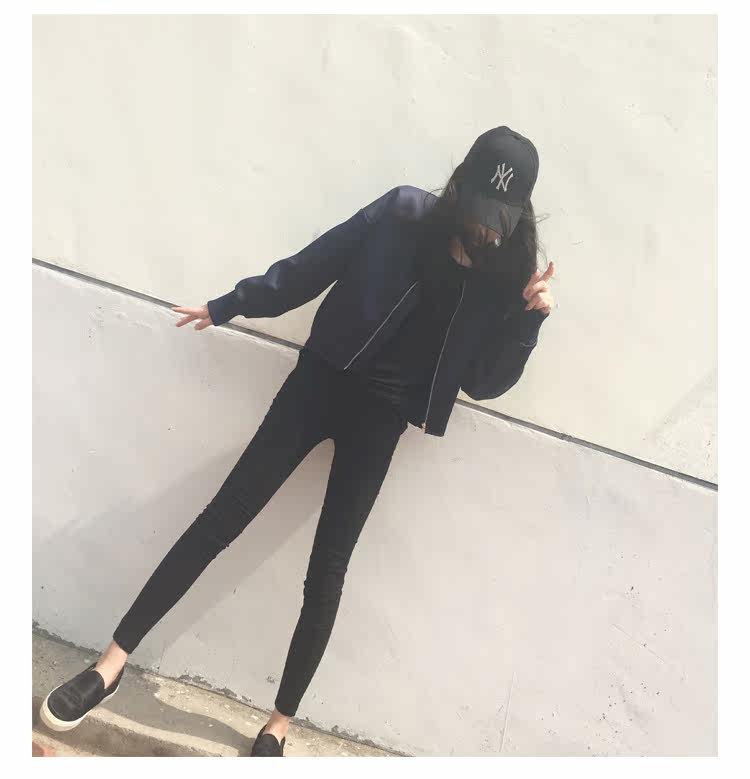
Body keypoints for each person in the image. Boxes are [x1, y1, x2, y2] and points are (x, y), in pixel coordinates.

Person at [39, 126, 556, 757]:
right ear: (460, 186)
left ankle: (278, 723)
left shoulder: (505, 278)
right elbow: (315, 265)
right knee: (221, 520)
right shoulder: (402, 213)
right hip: (317, 385)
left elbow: (482, 382)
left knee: (327, 573)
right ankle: (110, 666)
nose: (484, 228)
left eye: (498, 217)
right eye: (478, 207)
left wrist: (527, 324)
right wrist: (231, 303)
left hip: (381, 423)